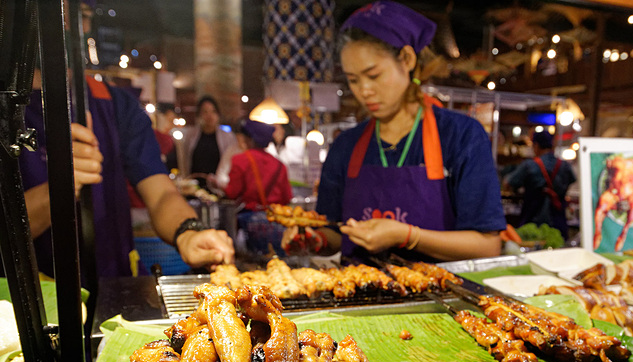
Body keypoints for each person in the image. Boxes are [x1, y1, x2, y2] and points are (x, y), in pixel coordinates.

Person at [286, 1, 505, 261]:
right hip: (358, 294)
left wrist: (408, 235)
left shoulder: (461, 135)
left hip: (441, 297)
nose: (364, 90)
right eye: (353, 80)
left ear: (407, 59)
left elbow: (487, 246)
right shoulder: (346, 145)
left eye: (374, 75)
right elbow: (333, 231)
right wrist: (313, 239)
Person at [20, 70, 235, 279]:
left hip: (116, 280)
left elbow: (160, 192)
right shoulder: (10, 106)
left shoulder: (112, 101)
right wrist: (58, 188)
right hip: (20, 294)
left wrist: (188, 233)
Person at [504, 130, 576, 238]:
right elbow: (573, 179)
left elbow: (508, 182)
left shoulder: (530, 165)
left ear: (536, 145)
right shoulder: (564, 165)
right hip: (558, 220)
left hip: (532, 221)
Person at [176, 95, 237, 191]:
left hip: (218, 189)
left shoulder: (227, 137)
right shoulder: (191, 135)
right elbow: (184, 160)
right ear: (199, 115)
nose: (209, 116)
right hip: (194, 188)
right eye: (205, 112)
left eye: (213, 111)